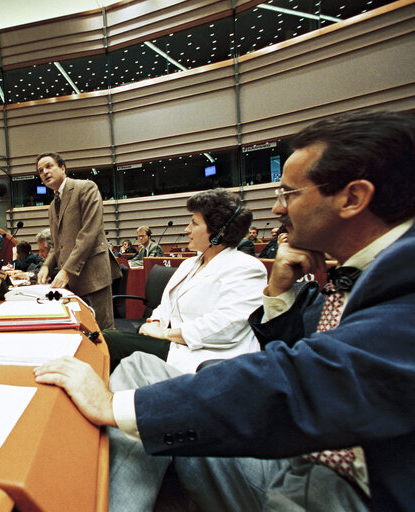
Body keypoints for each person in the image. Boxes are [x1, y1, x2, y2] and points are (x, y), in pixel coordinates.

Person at [34, 110, 415, 512]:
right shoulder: (355, 273)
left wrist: (112, 405)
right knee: (138, 371)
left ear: (352, 198)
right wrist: (280, 292)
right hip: (299, 443)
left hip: (342, 486)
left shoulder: (403, 278)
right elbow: (291, 349)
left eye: (289, 193)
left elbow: (305, 378)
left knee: (134, 391)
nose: (276, 210)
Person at [104, 188, 267, 373]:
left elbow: (226, 326)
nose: (187, 229)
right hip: (174, 343)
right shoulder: (190, 264)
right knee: (107, 340)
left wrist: (165, 333)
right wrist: (155, 322)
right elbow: (167, 304)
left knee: (109, 340)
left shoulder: (247, 267)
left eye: (194, 223)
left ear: (218, 233)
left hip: (204, 356)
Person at [36, 152, 121, 330]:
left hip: (93, 275)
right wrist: (46, 265)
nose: (45, 172)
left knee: (103, 331)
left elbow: (90, 232)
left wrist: (66, 270)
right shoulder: (52, 206)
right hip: (71, 282)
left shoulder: (86, 188)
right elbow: (57, 244)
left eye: (49, 166)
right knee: (81, 331)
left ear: (63, 168)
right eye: (40, 170)